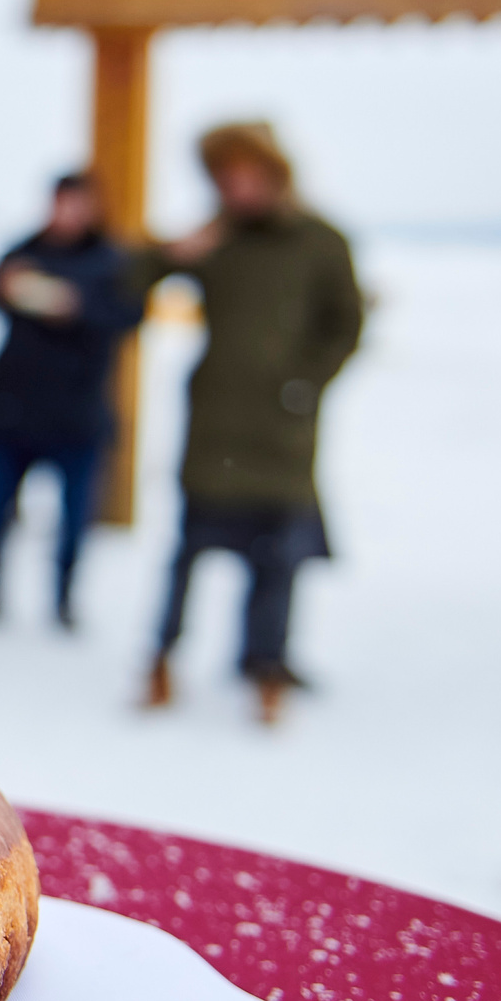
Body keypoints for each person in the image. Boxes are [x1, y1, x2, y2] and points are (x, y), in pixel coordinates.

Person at [131, 122, 362, 724]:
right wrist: (171, 253)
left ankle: (265, 669)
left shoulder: (321, 242)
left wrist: (303, 384)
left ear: (275, 173)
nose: (237, 188)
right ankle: (161, 660)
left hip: (280, 437)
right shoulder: (217, 242)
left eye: (247, 174)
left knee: (276, 561)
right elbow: (128, 287)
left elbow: (346, 325)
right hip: (213, 430)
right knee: (188, 554)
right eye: (224, 177)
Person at [0, 170, 140, 631]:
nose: (66, 214)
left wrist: (76, 307)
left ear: (93, 208)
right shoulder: (26, 251)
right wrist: (3, 285)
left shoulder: (112, 262)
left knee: (74, 521)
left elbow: (128, 316)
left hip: (76, 416)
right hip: (11, 409)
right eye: (60, 203)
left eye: (76, 204)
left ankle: (63, 601)